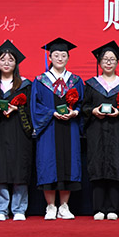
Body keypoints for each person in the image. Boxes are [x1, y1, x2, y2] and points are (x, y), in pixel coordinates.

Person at [31, 37, 84, 220]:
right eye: (56, 55)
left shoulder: (76, 81)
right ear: (50, 57)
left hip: (70, 127)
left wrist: (75, 112)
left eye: (63, 55)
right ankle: (50, 207)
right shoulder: (40, 80)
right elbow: (35, 106)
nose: (60, 58)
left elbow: (82, 104)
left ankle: (64, 206)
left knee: (69, 164)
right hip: (49, 128)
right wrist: (51, 113)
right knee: (48, 164)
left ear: (68, 57)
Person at [82, 41, 119, 221]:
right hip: (96, 132)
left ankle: (113, 208)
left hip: (117, 131)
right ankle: (98, 208)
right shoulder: (91, 85)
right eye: (105, 59)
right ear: (99, 62)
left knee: (116, 166)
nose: (109, 62)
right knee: (97, 166)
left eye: (112, 59)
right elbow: (84, 108)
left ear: (117, 62)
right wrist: (93, 111)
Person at [0, 40, 33, 222]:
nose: (6, 63)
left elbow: (32, 110)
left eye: (11, 60)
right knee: (0, 170)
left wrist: (17, 109)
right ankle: (1, 209)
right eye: (3, 59)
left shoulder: (25, 85)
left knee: (20, 169)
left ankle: (19, 209)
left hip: (19, 132)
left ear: (16, 63)